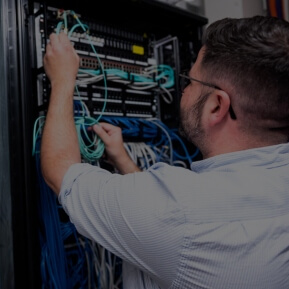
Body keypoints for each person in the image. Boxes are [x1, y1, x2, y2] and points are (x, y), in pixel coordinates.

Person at [41, 15, 289, 289]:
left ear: (217, 107)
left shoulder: (180, 213)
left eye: (190, 81)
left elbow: (61, 172)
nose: (183, 89)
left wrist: (63, 79)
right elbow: (166, 218)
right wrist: (124, 161)